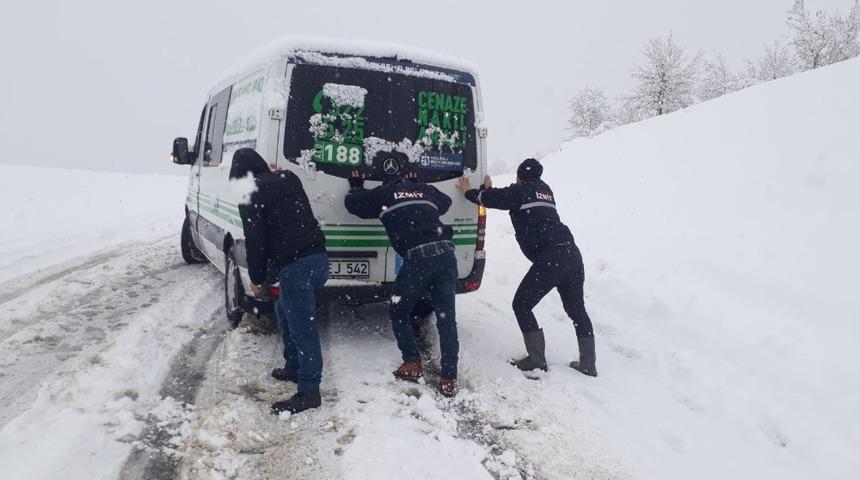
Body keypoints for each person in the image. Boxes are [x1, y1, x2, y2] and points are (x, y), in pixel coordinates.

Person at [456, 158, 597, 376]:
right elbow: (504, 199)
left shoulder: (520, 190)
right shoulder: (545, 190)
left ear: (519, 176)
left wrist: (470, 192)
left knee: (521, 304)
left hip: (552, 257)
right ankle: (588, 364)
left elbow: (495, 199)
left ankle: (536, 360)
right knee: (576, 310)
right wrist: (489, 191)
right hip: (571, 253)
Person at [344, 165, 460, 397]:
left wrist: (356, 186)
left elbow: (352, 205)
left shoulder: (382, 195)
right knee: (446, 317)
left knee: (399, 309)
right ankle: (449, 377)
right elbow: (445, 203)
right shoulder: (424, 190)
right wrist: (417, 187)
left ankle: (412, 363)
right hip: (447, 254)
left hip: (419, 258)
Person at [229, 148, 330, 414]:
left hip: (297, 267)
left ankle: (309, 391)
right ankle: (294, 367)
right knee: (284, 312)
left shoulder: (249, 192)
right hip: (318, 259)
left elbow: (256, 240)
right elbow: (290, 217)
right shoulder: (289, 177)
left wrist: (257, 277)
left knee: (302, 328)